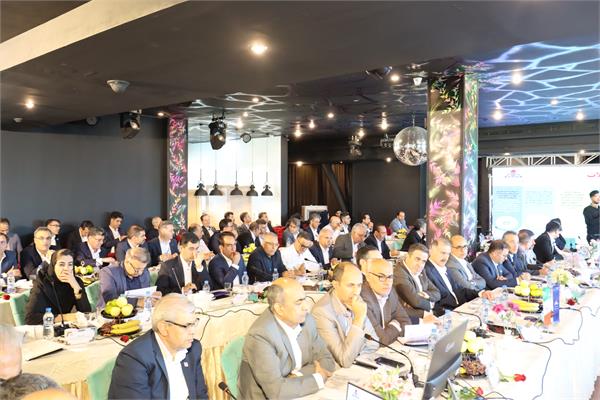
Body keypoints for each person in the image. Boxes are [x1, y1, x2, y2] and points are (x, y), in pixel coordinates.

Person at [239, 278, 335, 399]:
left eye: (305, 299)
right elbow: (277, 391)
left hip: (299, 393)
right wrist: (318, 378)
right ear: (279, 308)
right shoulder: (260, 335)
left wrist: (297, 376)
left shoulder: (307, 320)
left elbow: (327, 360)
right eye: (298, 303)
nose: (306, 307)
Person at [108, 294, 208, 399]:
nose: (193, 331)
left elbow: (200, 395)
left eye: (194, 324)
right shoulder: (134, 359)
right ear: (163, 328)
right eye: (187, 326)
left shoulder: (193, 349)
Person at [312, 262, 379, 367]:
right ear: (335, 285)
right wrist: (358, 319)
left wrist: (356, 355)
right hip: (335, 372)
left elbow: (374, 344)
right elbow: (344, 360)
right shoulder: (322, 312)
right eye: (350, 285)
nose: (356, 291)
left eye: (359, 285)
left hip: (359, 365)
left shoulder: (356, 299)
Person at [425, 238, 494, 315]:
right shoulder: (426, 271)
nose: (445, 257)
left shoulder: (446, 268)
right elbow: (434, 302)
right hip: (448, 314)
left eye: (448, 254)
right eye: (443, 253)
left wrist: (481, 293)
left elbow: (461, 290)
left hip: (461, 309)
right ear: (431, 251)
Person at [25, 249, 91, 325]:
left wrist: (77, 289)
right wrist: (66, 317)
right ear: (53, 266)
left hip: (65, 327)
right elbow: (30, 318)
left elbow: (86, 313)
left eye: (70, 264)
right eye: (61, 264)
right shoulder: (41, 282)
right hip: (46, 327)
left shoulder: (75, 282)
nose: (66, 268)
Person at [361, 258, 411, 345]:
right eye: (381, 277)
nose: (387, 283)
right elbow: (380, 340)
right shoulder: (363, 299)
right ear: (368, 277)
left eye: (390, 277)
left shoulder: (391, 292)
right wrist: (395, 324)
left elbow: (406, 323)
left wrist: (388, 332)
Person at [393, 244, 440, 322]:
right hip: (411, 319)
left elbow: (437, 292)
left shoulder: (422, 271)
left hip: (427, 315)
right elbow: (416, 301)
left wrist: (427, 295)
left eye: (423, 261)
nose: (420, 265)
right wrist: (431, 304)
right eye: (417, 259)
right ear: (407, 256)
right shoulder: (400, 274)